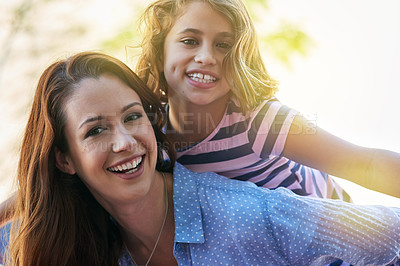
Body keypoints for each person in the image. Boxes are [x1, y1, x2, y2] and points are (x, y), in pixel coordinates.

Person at [1, 51, 400, 265]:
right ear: (64, 160)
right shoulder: (60, 237)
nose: (125, 141)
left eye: (132, 116)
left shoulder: (243, 217)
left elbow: (390, 233)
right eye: (96, 130)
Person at [135, 0, 400, 201]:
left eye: (224, 45)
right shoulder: (150, 133)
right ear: (160, 55)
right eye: (190, 41)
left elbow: (365, 164)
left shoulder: (260, 121)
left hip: (330, 237)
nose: (206, 57)